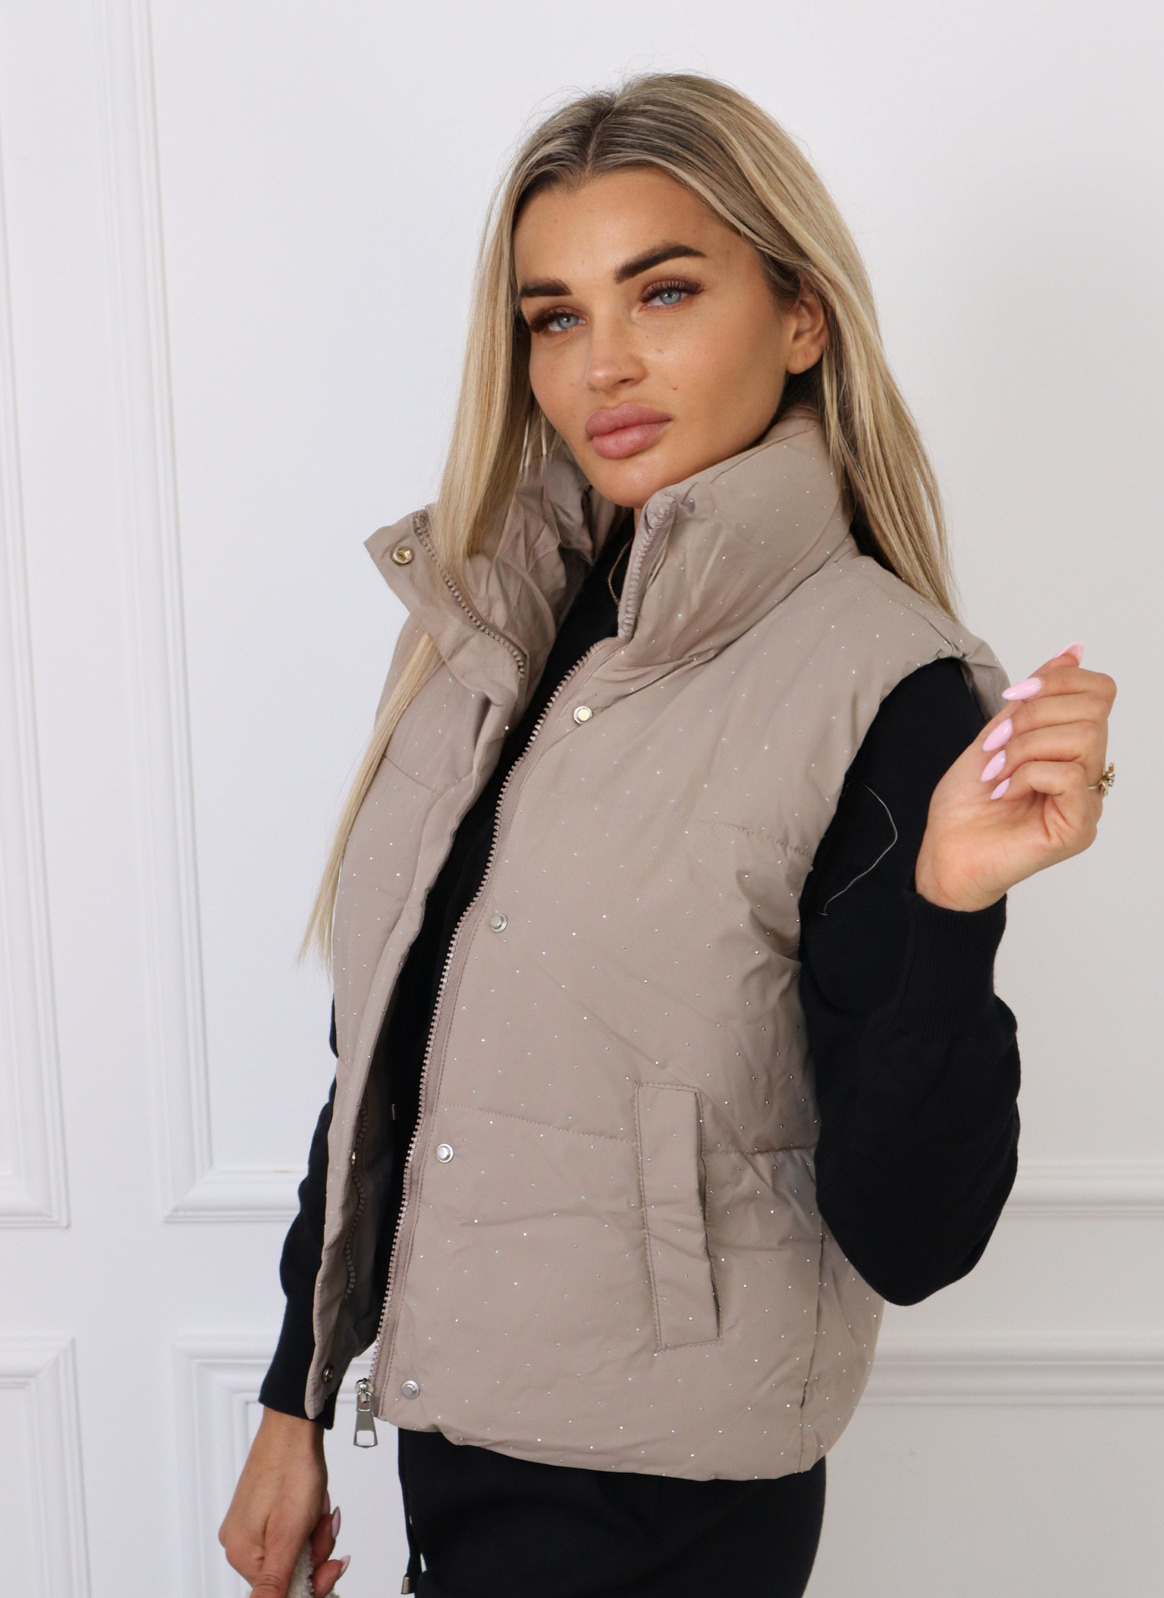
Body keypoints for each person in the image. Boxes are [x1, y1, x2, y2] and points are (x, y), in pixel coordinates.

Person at [219, 71, 1116, 1598]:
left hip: (669, 1516)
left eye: (666, 291)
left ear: (801, 317)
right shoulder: (486, 631)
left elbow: (913, 1231)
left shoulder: (888, 688)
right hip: (457, 1459)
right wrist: (294, 1399)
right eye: (554, 315)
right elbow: (385, 1058)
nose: (604, 363)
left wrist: (949, 907)